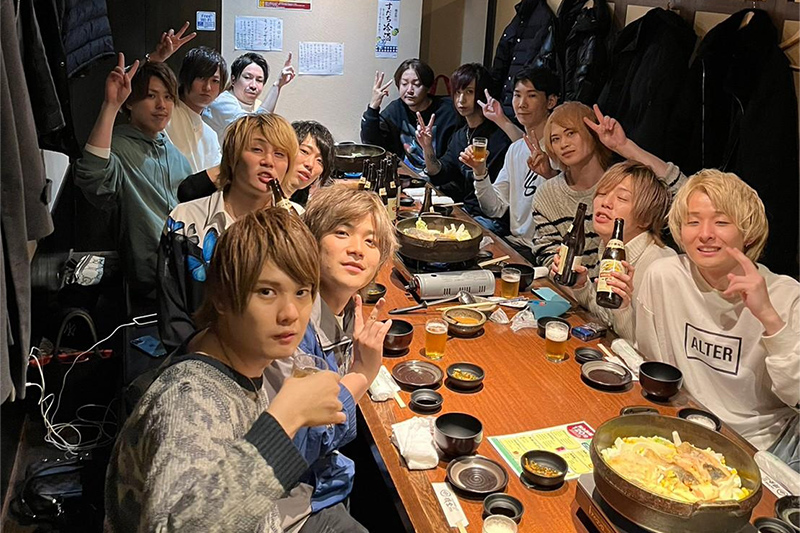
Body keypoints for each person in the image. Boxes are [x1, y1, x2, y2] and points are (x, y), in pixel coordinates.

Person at [105, 208, 349, 531]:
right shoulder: (190, 399)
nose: (290, 313)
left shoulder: (246, 360)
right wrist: (285, 420)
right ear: (220, 298)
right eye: (266, 292)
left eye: (302, 292)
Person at [635, 170, 799, 469]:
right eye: (693, 222)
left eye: (721, 222)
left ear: (748, 232)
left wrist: (768, 317)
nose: (705, 234)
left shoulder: (786, 295)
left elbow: (797, 397)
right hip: (686, 427)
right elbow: (651, 361)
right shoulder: (665, 276)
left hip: (765, 446)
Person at [157, 113, 300, 351]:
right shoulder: (186, 220)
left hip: (279, 358)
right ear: (233, 158)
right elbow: (173, 316)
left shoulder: (298, 222)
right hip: (202, 357)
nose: (268, 161)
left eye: (279, 154)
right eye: (257, 149)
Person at [74, 54, 191, 299]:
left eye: (168, 97)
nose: (162, 105)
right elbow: (93, 177)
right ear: (130, 103)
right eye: (151, 96)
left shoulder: (175, 155)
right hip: (151, 282)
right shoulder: (118, 147)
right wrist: (110, 106)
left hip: (187, 273)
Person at [531, 103, 684, 274]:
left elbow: (686, 196)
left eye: (571, 133)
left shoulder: (626, 180)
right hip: (583, 288)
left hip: (634, 281)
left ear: (592, 133)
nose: (564, 144)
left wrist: (623, 146)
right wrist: (573, 280)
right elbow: (548, 256)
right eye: (555, 139)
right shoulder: (546, 195)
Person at [550, 161, 675, 342]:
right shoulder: (609, 247)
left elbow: (649, 348)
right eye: (602, 193)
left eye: (622, 198)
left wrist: (622, 308)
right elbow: (607, 319)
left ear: (646, 218)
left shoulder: (660, 266)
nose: (605, 203)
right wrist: (581, 286)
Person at [461, 67, 560, 259]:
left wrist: (550, 175)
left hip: (547, 252)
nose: (522, 104)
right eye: (517, 95)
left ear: (551, 101)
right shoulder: (516, 149)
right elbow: (494, 208)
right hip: (516, 244)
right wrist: (480, 172)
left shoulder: (562, 148)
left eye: (531, 95)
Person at [416, 63, 512, 229]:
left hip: (493, 219)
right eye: (457, 92)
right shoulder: (461, 135)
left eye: (469, 92)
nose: (461, 100)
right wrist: (427, 147)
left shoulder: (500, 136)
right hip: (467, 212)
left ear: (482, 93)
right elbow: (440, 173)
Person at [360, 59, 457, 172]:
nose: (409, 90)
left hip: (440, 176)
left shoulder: (447, 111)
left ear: (428, 87)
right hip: (407, 176)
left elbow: (453, 159)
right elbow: (371, 143)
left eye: (416, 84)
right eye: (404, 84)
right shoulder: (395, 109)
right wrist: (373, 107)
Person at [204, 52, 296, 145]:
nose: (253, 86)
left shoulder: (258, 105)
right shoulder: (221, 102)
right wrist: (277, 85)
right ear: (233, 80)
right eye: (247, 77)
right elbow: (251, 127)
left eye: (259, 80)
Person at [163, 46, 227, 173]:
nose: (207, 87)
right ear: (185, 77)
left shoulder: (210, 136)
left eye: (215, 81)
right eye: (201, 78)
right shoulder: (165, 114)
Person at [285, 120, 335, 207]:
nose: (310, 164)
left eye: (320, 161)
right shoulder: (262, 200)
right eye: (304, 151)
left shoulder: (298, 210)